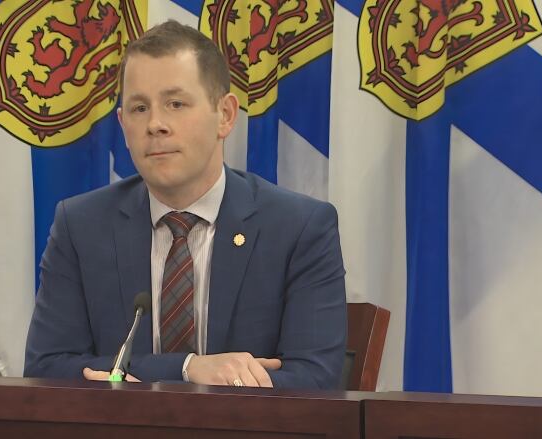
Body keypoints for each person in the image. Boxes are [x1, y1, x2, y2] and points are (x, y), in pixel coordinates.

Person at [24, 20, 346, 389]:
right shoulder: (80, 225)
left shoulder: (299, 227)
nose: (156, 124)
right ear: (122, 124)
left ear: (225, 115)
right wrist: (187, 369)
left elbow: (317, 381)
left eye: (175, 104)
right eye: (139, 108)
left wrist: (149, 378)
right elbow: (45, 370)